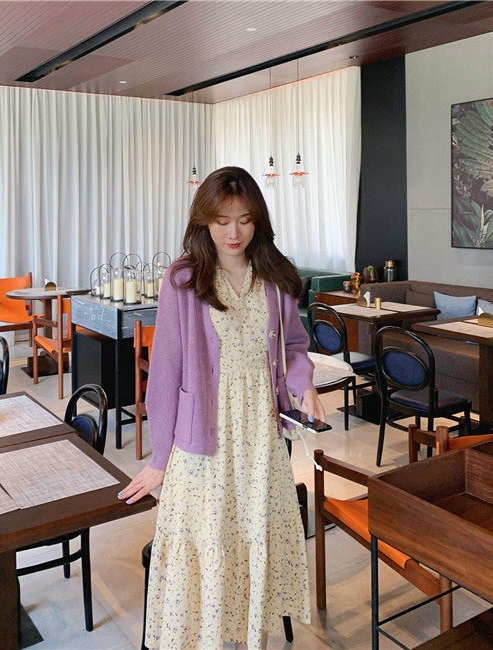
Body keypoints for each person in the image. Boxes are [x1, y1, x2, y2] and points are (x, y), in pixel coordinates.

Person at [119, 166, 326, 649]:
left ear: (259, 221)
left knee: (253, 540)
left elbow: (294, 347)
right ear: (204, 221)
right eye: (222, 221)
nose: (234, 233)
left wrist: (306, 385)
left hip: (261, 437)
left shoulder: (275, 277)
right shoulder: (184, 279)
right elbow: (165, 372)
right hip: (203, 440)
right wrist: (160, 459)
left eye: (245, 220)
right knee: (208, 545)